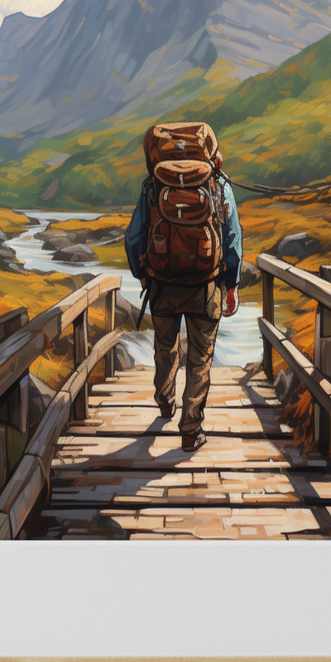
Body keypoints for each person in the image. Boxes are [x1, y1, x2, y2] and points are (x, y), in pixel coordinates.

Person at [124, 130, 243, 452]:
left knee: (165, 346)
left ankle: (165, 401)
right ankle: (191, 429)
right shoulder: (218, 185)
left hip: (162, 283)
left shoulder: (154, 186)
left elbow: (134, 237)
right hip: (207, 284)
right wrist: (231, 284)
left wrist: (142, 274)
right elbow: (232, 237)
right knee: (200, 358)